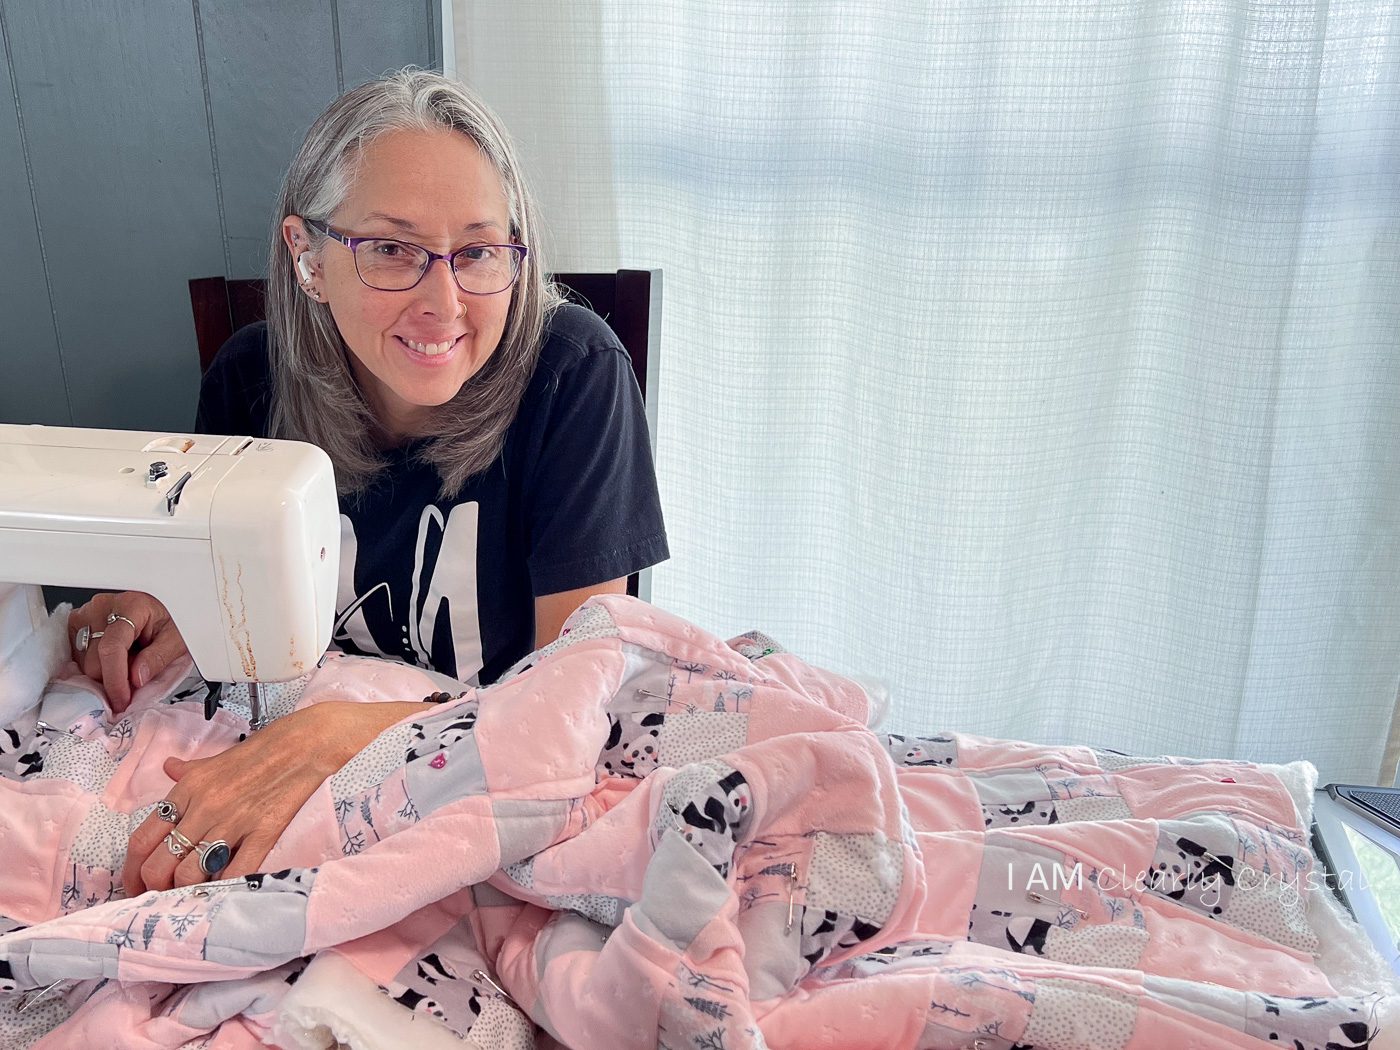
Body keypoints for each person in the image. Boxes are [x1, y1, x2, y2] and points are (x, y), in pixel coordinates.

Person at [65, 69, 668, 895]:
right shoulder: (251, 383)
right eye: (391, 249)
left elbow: (581, 696)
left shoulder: (576, 377)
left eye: (480, 251)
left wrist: (330, 738)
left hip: (481, 800)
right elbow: (217, 615)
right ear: (306, 256)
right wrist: (155, 603)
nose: (445, 302)